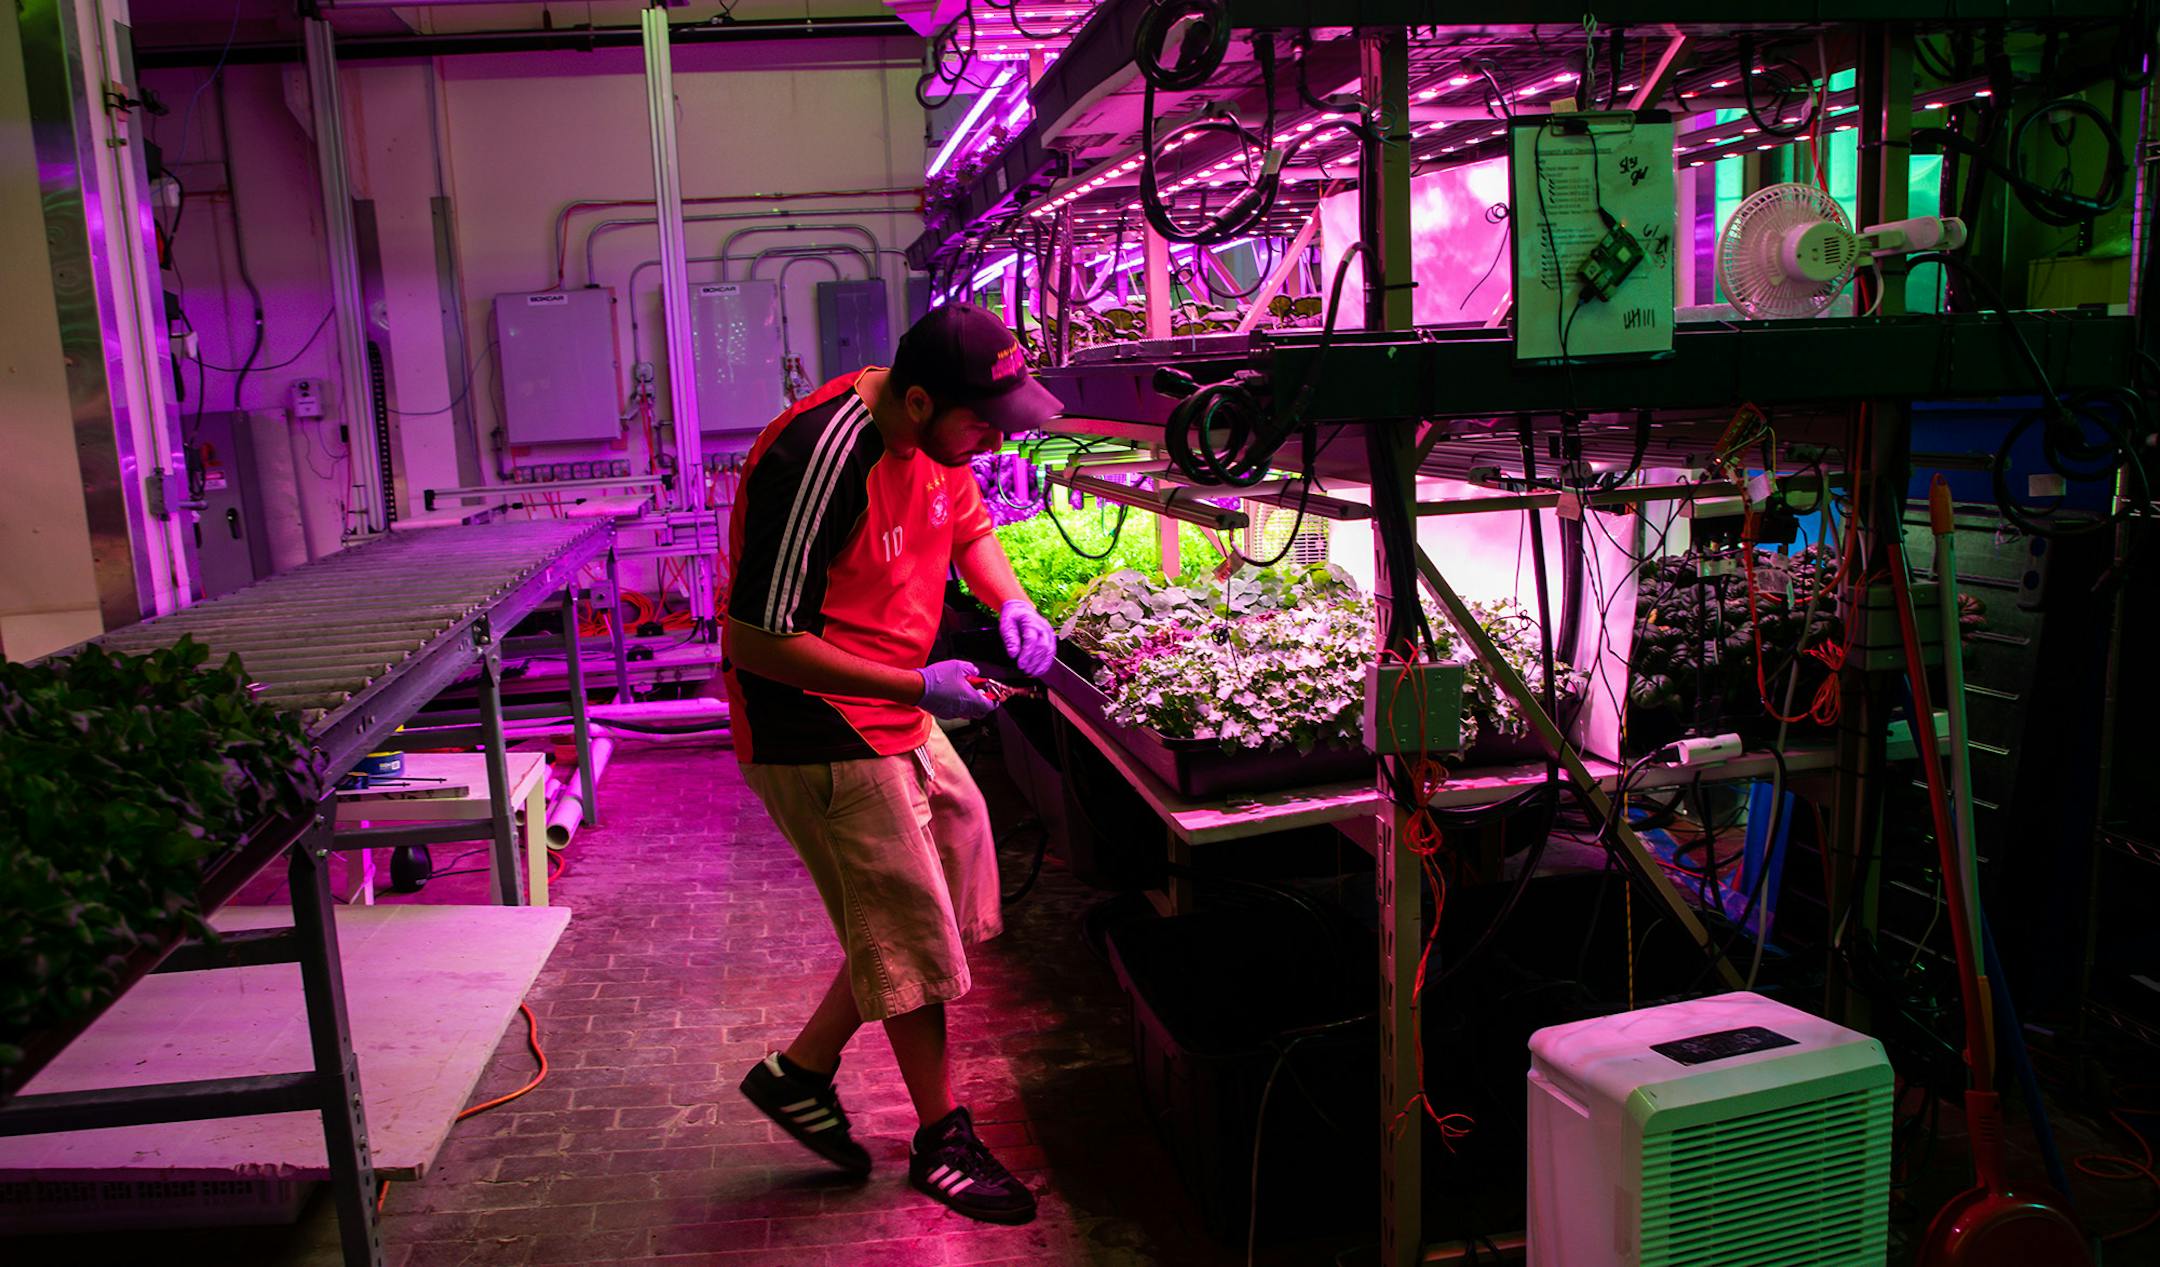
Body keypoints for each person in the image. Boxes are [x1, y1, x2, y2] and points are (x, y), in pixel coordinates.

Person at [722, 303, 1061, 1225]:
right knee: (910, 918)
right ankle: (941, 1136)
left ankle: (800, 1071)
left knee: (956, 845)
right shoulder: (819, 459)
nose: (994, 439)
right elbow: (759, 641)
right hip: (815, 719)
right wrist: (920, 684)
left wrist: (1013, 602)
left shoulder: (939, 447)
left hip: (890, 703)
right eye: (984, 422)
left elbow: (969, 530)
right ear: (917, 401)